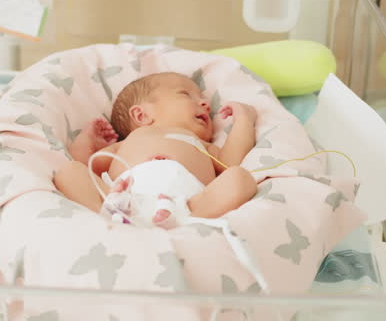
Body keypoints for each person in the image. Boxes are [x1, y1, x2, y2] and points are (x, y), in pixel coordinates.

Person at [54, 72, 259, 228]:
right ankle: (103, 214)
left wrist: (244, 121)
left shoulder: (199, 144)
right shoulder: (130, 141)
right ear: (142, 116)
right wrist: (86, 139)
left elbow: (231, 161)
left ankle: (190, 220)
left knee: (240, 178)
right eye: (186, 94)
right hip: (123, 198)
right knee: (70, 171)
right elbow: (83, 164)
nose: (206, 104)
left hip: (187, 203)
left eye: (204, 100)